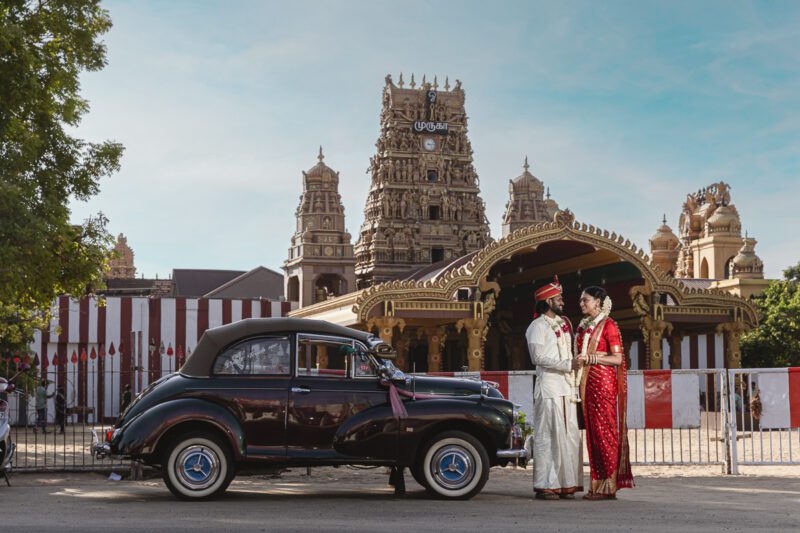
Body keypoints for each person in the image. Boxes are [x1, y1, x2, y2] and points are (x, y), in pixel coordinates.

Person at [525, 276, 583, 500]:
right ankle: (546, 485)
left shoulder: (563, 325)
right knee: (549, 436)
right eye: (558, 298)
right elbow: (537, 357)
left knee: (568, 437)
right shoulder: (537, 326)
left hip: (567, 389)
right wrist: (568, 365)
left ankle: (567, 484)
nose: (562, 302)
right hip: (549, 388)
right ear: (547, 301)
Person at [575, 286, 634, 500]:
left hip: (603, 386)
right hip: (587, 385)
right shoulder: (584, 327)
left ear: (598, 302)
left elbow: (617, 359)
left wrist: (591, 359)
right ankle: (597, 484)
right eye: (581, 301)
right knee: (592, 435)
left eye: (586, 300)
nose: (582, 304)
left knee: (604, 434)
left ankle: (608, 485)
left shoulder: (608, 325)